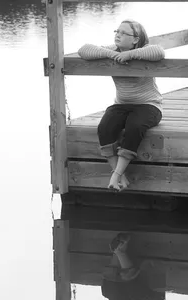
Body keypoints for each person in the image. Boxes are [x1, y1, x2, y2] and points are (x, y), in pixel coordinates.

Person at [78, 20, 165, 191]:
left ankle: (116, 175)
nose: (118, 34)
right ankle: (120, 174)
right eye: (117, 31)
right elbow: (84, 49)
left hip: (149, 105)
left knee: (135, 126)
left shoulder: (144, 51)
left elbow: (159, 51)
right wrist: (112, 55)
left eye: (124, 33)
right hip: (121, 104)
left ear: (135, 39)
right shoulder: (113, 50)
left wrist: (130, 55)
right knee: (105, 128)